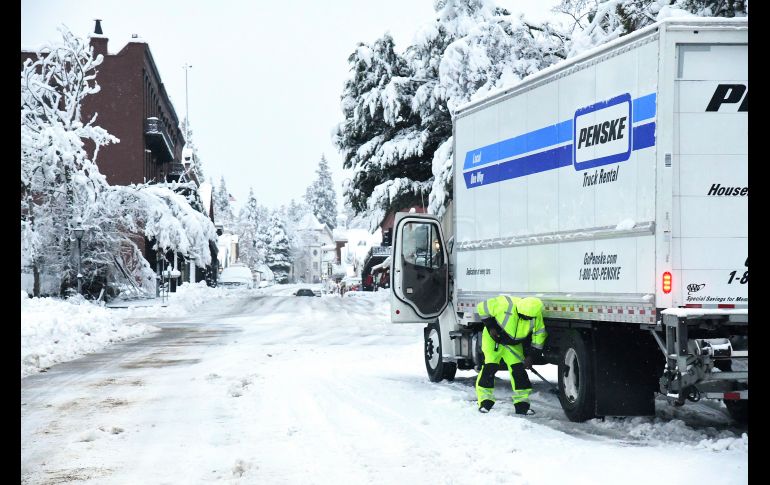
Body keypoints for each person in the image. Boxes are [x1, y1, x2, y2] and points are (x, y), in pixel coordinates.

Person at [475, 295, 547, 415]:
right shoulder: (504, 304)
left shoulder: (535, 315)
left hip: (514, 343)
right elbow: (482, 307)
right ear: (519, 310)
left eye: (529, 318)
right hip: (494, 339)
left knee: (518, 370)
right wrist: (491, 327)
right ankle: (485, 400)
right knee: (490, 367)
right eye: (524, 316)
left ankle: (522, 404)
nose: (526, 319)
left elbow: (539, 335)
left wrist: (531, 356)